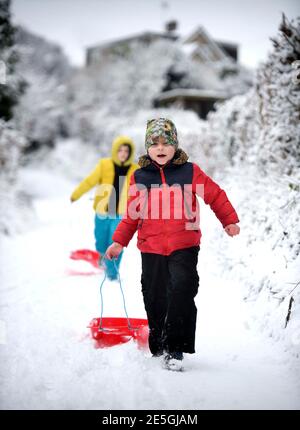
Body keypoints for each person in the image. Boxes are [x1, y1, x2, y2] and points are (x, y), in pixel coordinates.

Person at [105, 118, 240, 370]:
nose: (160, 147)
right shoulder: (140, 177)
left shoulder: (189, 171)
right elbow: (132, 214)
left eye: (166, 142)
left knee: (182, 288)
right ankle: (159, 344)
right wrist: (118, 242)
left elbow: (214, 194)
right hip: (151, 246)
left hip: (185, 243)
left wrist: (228, 220)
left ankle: (175, 348)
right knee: (154, 295)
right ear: (147, 147)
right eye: (154, 143)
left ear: (175, 144)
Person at [70, 135, 139, 280]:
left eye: (126, 151)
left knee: (116, 242)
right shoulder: (104, 165)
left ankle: (112, 274)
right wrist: (76, 194)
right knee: (101, 240)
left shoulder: (135, 169)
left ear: (130, 153)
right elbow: (90, 181)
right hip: (103, 211)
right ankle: (102, 257)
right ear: (115, 151)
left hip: (121, 214)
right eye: (120, 150)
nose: (123, 154)